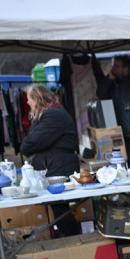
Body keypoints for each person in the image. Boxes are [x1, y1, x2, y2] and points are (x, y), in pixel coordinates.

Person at [20, 84, 82, 237]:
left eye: (29, 99)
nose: (27, 102)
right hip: (56, 164)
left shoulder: (53, 115)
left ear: (37, 99)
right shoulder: (50, 113)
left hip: (59, 166)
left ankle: (73, 239)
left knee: (60, 207)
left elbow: (32, 142)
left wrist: (27, 145)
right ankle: (68, 238)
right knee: (58, 207)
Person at [91, 54, 130, 164]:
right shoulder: (114, 85)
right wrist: (109, 78)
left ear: (126, 69)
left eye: (117, 66)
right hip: (123, 133)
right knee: (129, 163)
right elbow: (101, 95)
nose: (113, 69)